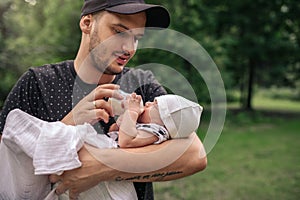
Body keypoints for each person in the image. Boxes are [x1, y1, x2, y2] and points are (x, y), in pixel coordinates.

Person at [0, 0, 207, 199]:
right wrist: (69, 123)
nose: (130, 48)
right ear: (87, 23)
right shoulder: (37, 83)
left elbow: (194, 155)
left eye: (136, 38)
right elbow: (5, 165)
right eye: (118, 32)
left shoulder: (142, 84)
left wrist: (102, 167)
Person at [0, 93, 202, 199]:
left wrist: (131, 113)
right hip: (103, 148)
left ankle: (49, 158)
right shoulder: (36, 82)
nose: (147, 104)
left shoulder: (157, 132)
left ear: (166, 122)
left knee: (69, 136)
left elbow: (126, 141)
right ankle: (47, 159)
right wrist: (123, 117)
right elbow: (118, 130)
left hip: (105, 151)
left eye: (154, 106)